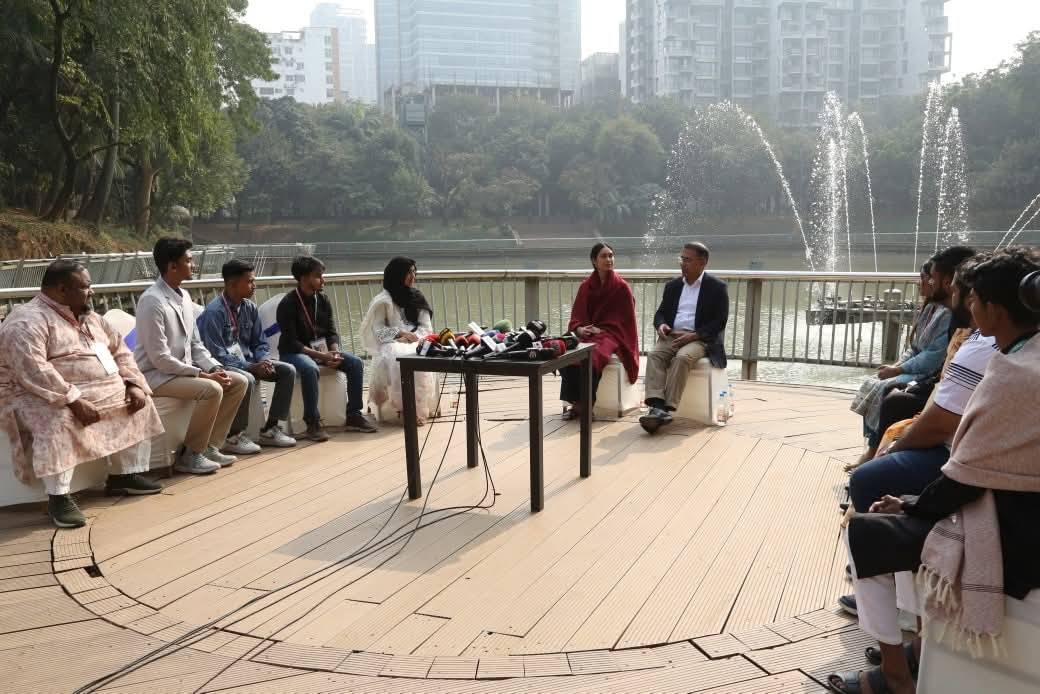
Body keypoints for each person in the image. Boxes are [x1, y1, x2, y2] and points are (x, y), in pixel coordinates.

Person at [829, 247, 1040, 694]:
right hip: (1018, 510)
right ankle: (923, 650)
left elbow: (965, 478)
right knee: (903, 522)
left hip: (1017, 534)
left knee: (867, 533)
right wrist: (914, 505)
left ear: (995, 311)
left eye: (975, 299)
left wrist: (908, 505)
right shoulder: (1028, 354)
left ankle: (895, 677)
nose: (969, 307)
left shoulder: (1013, 373)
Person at [837, 255, 999, 616]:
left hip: (963, 458)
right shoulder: (996, 344)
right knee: (893, 413)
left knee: (868, 480)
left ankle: (893, 595)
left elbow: (941, 423)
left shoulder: (983, 348)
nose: (959, 299)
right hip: (970, 450)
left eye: (964, 293)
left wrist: (899, 445)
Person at [0, 261, 165, 528]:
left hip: (97, 388)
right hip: (35, 393)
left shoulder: (91, 317)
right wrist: (73, 399)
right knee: (58, 420)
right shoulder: (26, 321)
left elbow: (121, 351)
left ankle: (125, 475)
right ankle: (58, 497)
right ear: (62, 289)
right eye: (86, 287)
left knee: (139, 401)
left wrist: (133, 383)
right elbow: (33, 370)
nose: (92, 292)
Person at [135, 238, 249, 475]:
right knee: (212, 389)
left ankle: (210, 447)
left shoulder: (185, 297)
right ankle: (191, 454)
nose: (193, 265)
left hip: (180, 372)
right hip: (156, 376)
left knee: (238, 381)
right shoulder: (151, 301)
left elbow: (196, 344)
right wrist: (203, 375)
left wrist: (214, 368)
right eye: (188, 260)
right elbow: (159, 359)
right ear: (172, 266)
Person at [849, 251, 967, 466]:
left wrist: (898, 370)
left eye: (929, 278)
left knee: (888, 390)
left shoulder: (950, 316)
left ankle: (877, 450)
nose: (925, 283)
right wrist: (896, 365)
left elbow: (933, 356)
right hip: (921, 372)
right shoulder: (932, 310)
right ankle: (872, 446)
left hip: (928, 374)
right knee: (873, 384)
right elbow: (914, 348)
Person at [198, 259, 297, 449]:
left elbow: (259, 342)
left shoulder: (250, 308)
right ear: (232, 284)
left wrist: (264, 360)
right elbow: (216, 353)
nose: (254, 285)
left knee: (287, 370)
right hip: (223, 365)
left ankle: (270, 429)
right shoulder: (214, 312)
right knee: (248, 379)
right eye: (249, 281)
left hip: (250, 362)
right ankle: (233, 436)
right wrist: (251, 367)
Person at [277, 255, 377, 441]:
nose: (323, 280)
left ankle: (353, 415)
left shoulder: (322, 299)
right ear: (303, 278)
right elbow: (291, 342)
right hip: (294, 353)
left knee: (355, 363)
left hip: (321, 351)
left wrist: (335, 351)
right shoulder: (288, 304)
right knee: (309, 368)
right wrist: (322, 356)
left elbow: (331, 331)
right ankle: (312, 423)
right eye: (318, 276)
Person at [639, 242, 729, 433]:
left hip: (699, 338)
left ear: (702, 262)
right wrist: (661, 325)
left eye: (687, 260)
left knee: (682, 357)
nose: (682, 263)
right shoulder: (673, 286)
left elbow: (719, 322)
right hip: (672, 335)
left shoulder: (717, 287)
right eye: (682, 259)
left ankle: (665, 409)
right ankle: (656, 405)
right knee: (654, 355)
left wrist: (693, 336)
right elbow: (660, 313)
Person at [559, 243, 639, 419]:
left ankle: (586, 405)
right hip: (587, 332)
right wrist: (580, 329)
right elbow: (577, 315)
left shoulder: (621, 287)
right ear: (594, 261)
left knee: (593, 356)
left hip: (611, 335)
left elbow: (626, 321)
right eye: (604, 256)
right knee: (567, 352)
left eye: (611, 255)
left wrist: (601, 330)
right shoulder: (586, 286)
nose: (609, 259)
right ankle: (575, 402)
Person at [360, 256, 439, 425]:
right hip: (392, 342)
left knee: (421, 351)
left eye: (414, 272)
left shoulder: (417, 297)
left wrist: (414, 337)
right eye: (408, 273)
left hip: (417, 340)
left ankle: (416, 408)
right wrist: (400, 334)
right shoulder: (383, 300)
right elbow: (378, 331)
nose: (413, 276)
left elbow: (427, 328)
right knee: (397, 355)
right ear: (397, 274)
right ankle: (404, 409)